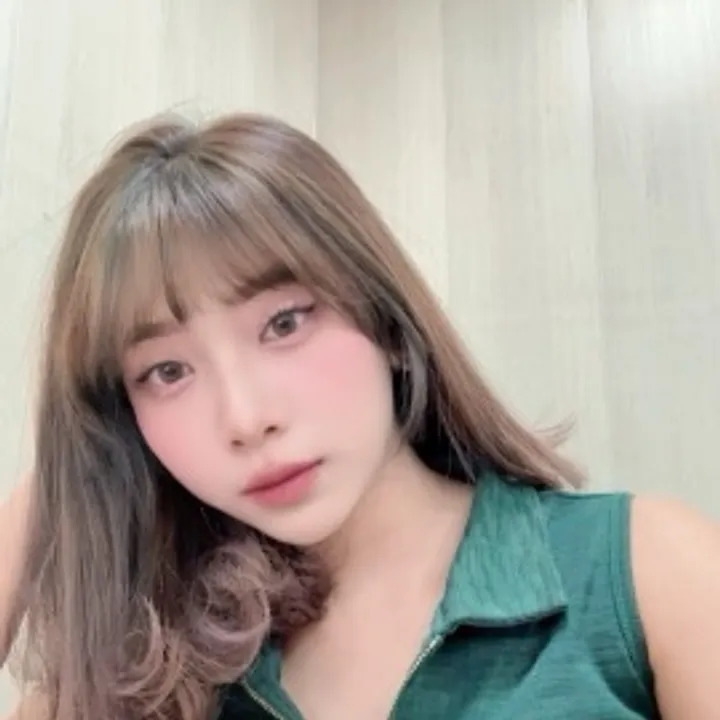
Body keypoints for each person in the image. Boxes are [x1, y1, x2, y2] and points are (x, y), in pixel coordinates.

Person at [1, 112, 719, 720]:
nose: (246, 418)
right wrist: (64, 489)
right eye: (167, 372)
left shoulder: (646, 571)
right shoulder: (136, 679)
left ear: (388, 324)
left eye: (284, 324)